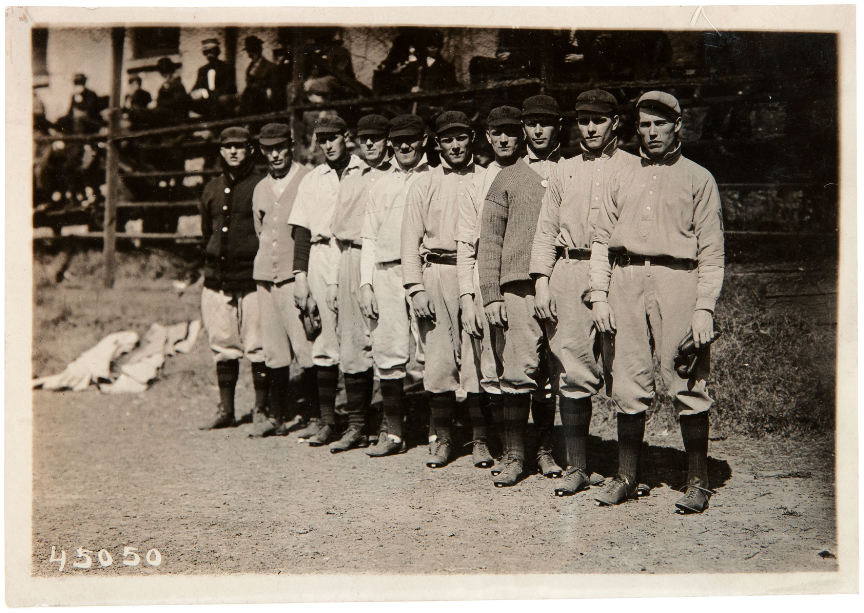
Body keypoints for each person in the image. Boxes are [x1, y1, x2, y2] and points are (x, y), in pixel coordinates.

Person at [589, 91, 724, 513]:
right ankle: (628, 475)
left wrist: (704, 306)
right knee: (627, 376)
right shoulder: (621, 174)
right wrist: (598, 295)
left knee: (684, 373)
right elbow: (599, 241)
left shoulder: (697, 177)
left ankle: (698, 480)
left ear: (677, 125)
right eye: (644, 125)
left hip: (677, 278)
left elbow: (713, 250)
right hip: (626, 278)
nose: (651, 133)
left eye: (659, 124)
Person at [529, 89, 637, 495]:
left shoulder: (633, 167)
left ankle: (628, 472)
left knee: (625, 369)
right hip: (569, 268)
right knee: (571, 370)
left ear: (615, 123)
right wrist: (542, 282)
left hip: (619, 270)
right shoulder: (563, 169)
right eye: (584, 120)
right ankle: (578, 466)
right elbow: (545, 230)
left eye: (599, 119)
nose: (590, 127)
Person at [478, 94, 564, 486]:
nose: (538, 130)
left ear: (558, 126)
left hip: (563, 283)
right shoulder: (508, 176)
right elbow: (490, 241)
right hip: (518, 287)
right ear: (524, 129)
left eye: (546, 123)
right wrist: (491, 294)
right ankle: (514, 455)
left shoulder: (573, 170)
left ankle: (546, 451)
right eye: (532, 124)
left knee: (555, 371)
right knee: (517, 369)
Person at [401, 110, 487, 469]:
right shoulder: (424, 182)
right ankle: (444, 438)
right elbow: (409, 239)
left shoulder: (486, 177)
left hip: (475, 273)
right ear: (437, 144)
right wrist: (415, 288)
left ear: (471, 138)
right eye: (447, 139)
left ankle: (481, 439)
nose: (455, 145)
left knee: (478, 359)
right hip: (435, 271)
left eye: (461, 137)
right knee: (437, 362)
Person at [288, 115, 367, 446]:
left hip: (352, 253)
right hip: (320, 255)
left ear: (346, 137)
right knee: (322, 341)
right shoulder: (312, 179)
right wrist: (300, 276)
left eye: (333, 137)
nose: (328, 144)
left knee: (355, 340)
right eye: (322, 139)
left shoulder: (364, 171)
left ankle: (358, 423)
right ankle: (326, 420)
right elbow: (302, 230)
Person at [456, 105, 526, 470]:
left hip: (519, 282)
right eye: (496, 132)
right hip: (484, 284)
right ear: (486, 137)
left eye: (510, 132)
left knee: (521, 364)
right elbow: (466, 245)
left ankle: (528, 446)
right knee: (484, 364)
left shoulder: (530, 175)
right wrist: (468, 298)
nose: (503, 139)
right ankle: (487, 441)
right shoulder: (477, 182)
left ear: (522, 134)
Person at [322, 114, 394, 452]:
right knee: (352, 344)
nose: (369, 144)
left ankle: (391, 424)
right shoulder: (351, 176)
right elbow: (338, 235)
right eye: (364, 138)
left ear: (387, 141)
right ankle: (356, 424)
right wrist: (335, 283)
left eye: (376, 138)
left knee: (391, 343)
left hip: (387, 260)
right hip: (352, 258)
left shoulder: (399, 175)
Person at [358, 114, 430, 456]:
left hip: (426, 270)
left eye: (411, 139)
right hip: (386, 272)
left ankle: (439, 433)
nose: (404, 146)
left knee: (433, 350)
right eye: (398, 140)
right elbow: (369, 237)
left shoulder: (435, 177)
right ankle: (394, 433)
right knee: (388, 352)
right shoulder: (381, 182)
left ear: (424, 141)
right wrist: (365, 284)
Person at [198, 127, 269, 430]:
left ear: (250, 150)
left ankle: (262, 411)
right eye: (228, 147)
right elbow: (206, 232)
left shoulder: (261, 185)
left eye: (239, 147)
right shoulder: (212, 188)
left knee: (258, 344)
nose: (234, 152)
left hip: (252, 278)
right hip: (218, 278)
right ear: (221, 152)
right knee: (223, 343)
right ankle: (226, 410)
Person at [250, 123, 314, 438]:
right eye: (268, 149)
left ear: (291, 147)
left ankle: (317, 416)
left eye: (280, 148)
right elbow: (260, 230)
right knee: (273, 349)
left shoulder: (307, 178)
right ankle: (277, 416)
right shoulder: (261, 187)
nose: (275, 155)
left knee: (306, 346)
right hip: (265, 276)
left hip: (294, 276)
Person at [190, 38, 237, 118]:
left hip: (221, 99)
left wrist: (207, 93)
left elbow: (229, 87)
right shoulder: (203, 70)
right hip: (207, 100)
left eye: (212, 52)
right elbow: (197, 85)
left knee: (219, 102)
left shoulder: (226, 67)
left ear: (217, 52)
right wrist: (194, 93)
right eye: (206, 53)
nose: (209, 55)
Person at [239, 36, 277, 116]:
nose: (250, 55)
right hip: (249, 104)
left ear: (259, 50)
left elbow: (273, 89)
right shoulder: (250, 67)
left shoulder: (270, 67)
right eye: (249, 51)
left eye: (252, 51)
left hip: (263, 104)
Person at [152, 57, 189, 126]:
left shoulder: (177, 84)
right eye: (163, 73)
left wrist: (159, 102)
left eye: (166, 73)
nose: (165, 76)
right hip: (167, 115)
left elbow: (178, 102)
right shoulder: (166, 85)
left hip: (175, 116)